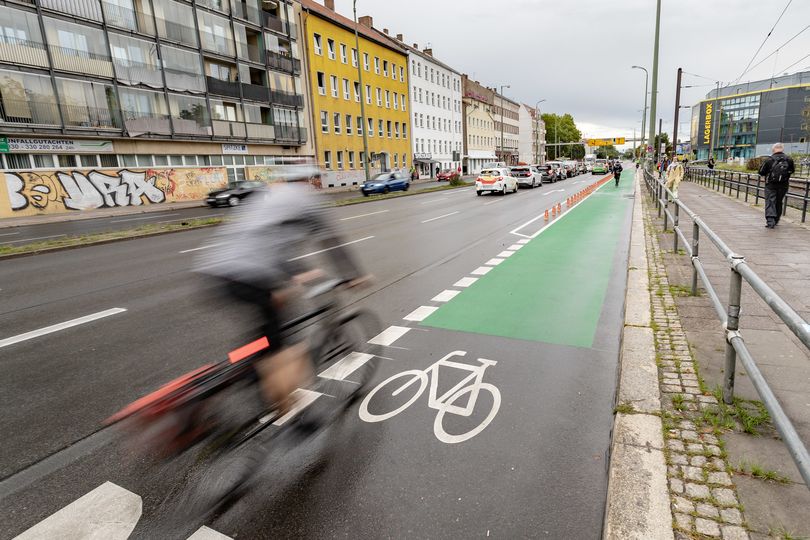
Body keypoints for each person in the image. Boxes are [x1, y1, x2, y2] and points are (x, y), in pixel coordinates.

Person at [195, 166, 369, 417]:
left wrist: (296, 273)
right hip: (249, 273)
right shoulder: (308, 200)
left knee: (264, 335)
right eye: (316, 179)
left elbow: (269, 241)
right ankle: (289, 414)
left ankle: (242, 366)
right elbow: (333, 243)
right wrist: (353, 275)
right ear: (310, 180)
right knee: (282, 346)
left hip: (213, 270)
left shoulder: (270, 196)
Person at [758, 143, 795, 228]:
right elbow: (792, 170)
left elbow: (761, 172)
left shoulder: (769, 160)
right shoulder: (789, 159)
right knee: (779, 202)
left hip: (770, 184)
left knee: (770, 201)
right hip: (784, 185)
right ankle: (777, 219)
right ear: (782, 149)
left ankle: (771, 221)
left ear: (773, 149)